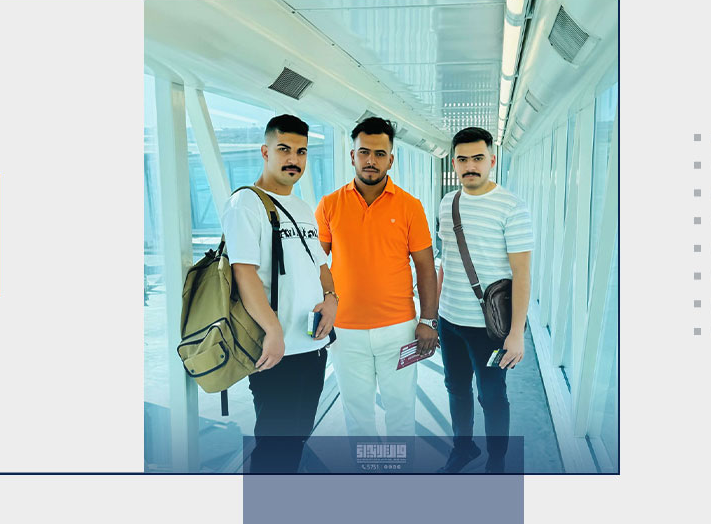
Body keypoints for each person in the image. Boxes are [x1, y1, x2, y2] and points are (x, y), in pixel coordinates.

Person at [220, 114, 339, 473]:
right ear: (265, 152)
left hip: (311, 346)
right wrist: (272, 331)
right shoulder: (246, 203)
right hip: (275, 350)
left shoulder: (302, 207)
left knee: (296, 439)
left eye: (301, 152)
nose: (293, 159)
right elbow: (244, 272)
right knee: (274, 448)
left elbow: (320, 266)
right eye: (284, 149)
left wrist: (332, 299)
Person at [315, 116, 439, 438]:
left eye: (380, 154)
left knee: (401, 413)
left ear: (390, 160)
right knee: (357, 417)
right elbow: (314, 262)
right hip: (345, 331)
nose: (371, 160)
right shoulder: (329, 205)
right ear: (352, 156)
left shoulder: (410, 206)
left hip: (399, 329)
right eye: (364, 152)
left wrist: (428, 320)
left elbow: (426, 267)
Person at [435, 127, 534, 473]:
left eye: (478, 158)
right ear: (454, 163)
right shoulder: (448, 203)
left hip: (488, 329)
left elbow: (522, 274)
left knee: (491, 396)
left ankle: (496, 461)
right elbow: (447, 261)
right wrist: (433, 315)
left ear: (492, 160)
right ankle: (463, 449)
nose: (470, 166)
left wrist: (516, 333)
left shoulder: (512, 208)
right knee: (455, 388)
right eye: (462, 159)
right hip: (449, 321)